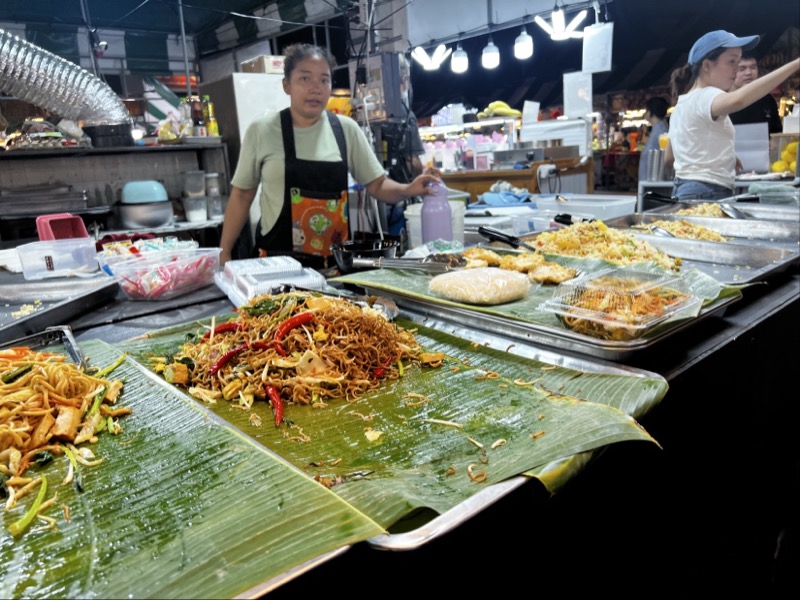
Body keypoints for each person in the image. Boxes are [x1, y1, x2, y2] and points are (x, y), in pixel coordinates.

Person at [218, 43, 441, 268]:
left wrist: (408, 189)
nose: (316, 88)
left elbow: (378, 186)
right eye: (305, 79)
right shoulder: (262, 131)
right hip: (277, 266)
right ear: (286, 85)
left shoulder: (346, 130)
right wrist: (224, 252)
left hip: (333, 268)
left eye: (324, 80)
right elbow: (242, 196)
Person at [663, 30, 799, 200]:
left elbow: (669, 157)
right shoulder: (706, 95)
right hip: (705, 190)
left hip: (688, 187)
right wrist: (795, 65)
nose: (737, 69)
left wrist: (723, 156)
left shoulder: (682, 104)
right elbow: (738, 100)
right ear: (707, 65)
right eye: (732, 61)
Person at [382, 53, 426, 237]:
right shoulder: (405, 115)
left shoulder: (371, 112)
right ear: (404, 79)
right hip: (398, 199)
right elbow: (412, 161)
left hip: (374, 199)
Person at [729, 51, 783, 134]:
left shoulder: (767, 99)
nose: (748, 73)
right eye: (742, 69)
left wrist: (773, 143)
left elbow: (777, 132)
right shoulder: (724, 100)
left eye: (753, 67)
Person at [637, 96, 670, 183]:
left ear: (651, 112)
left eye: (646, 110)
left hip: (654, 183)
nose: (645, 113)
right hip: (649, 181)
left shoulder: (661, 131)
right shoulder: (658, 129)